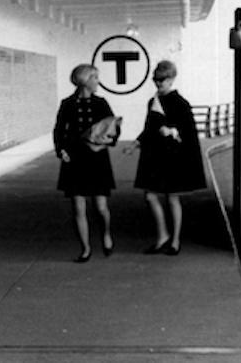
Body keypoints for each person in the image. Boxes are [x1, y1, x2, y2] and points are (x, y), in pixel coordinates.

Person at [132, 60, 207, 256]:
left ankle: (174, 240)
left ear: (172, 79)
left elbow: (188, 131)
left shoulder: (181, 103)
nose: (158, 84)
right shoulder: (153, 101)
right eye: (156, 80)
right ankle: (163, 235)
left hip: (173, 156)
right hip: (156, 155)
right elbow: (149, 127)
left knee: (172, 198)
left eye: (162, 80)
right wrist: (137, 142)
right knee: (150, 196)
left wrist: (172, 130)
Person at [54, 64, 118, 263]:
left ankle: (106, 235)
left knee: (100, 206)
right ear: (85, 80)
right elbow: (58, 130)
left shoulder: (101, 103)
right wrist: (61, 149)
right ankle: (85, 248)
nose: (98, 82)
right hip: (75, 158)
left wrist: (109, 139)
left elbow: (113, 126)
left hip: (97, 158)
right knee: (78, 207)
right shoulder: (67, 104)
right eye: (95, 78)